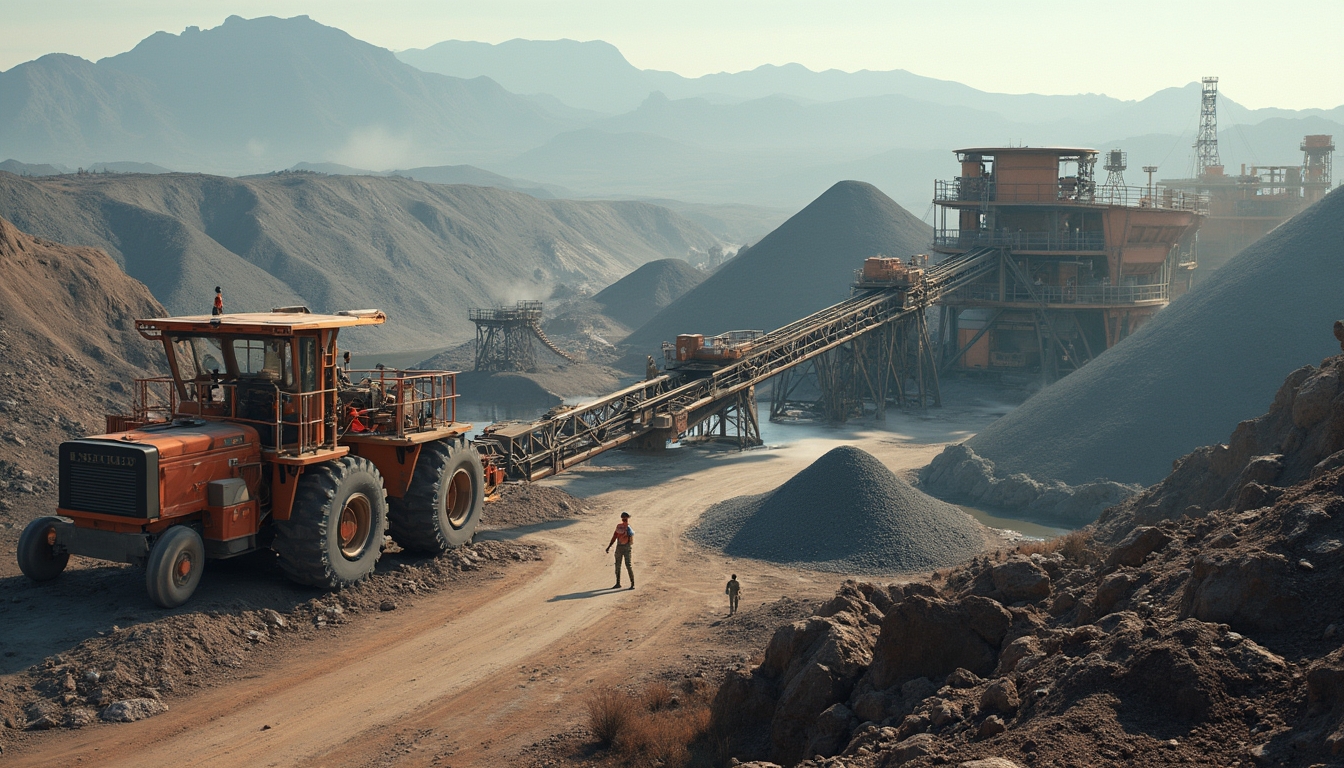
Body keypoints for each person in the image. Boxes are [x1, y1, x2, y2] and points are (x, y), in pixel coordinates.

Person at [605, 512, 634, 590]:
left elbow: (614, 537)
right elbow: (631, 540)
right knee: (627, 565)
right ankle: (632, 583)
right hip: (626, 547)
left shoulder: (620, 527)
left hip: (620, 547)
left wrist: (609, 546)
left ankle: (618, 583)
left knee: (618, 565)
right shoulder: (628, 527)